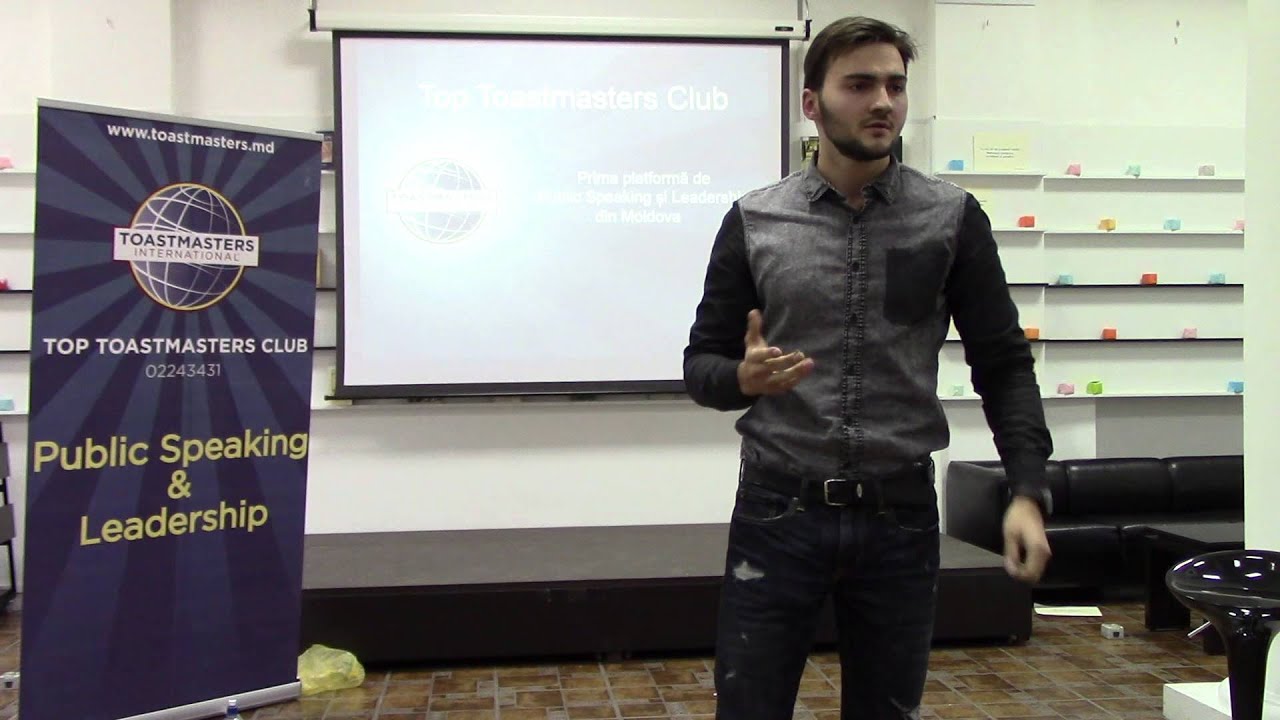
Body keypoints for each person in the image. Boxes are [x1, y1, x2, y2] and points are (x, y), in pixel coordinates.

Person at [682, 16, 1054, 720]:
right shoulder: (755, 221)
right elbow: (700, 364)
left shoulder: (950, 218)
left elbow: (1004, 364)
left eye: (895, 85)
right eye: (859, 85)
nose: (883, 101)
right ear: (812, 103)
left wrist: (1028, 490)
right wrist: (740, 380)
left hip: (900, 516)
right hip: (778, 511)